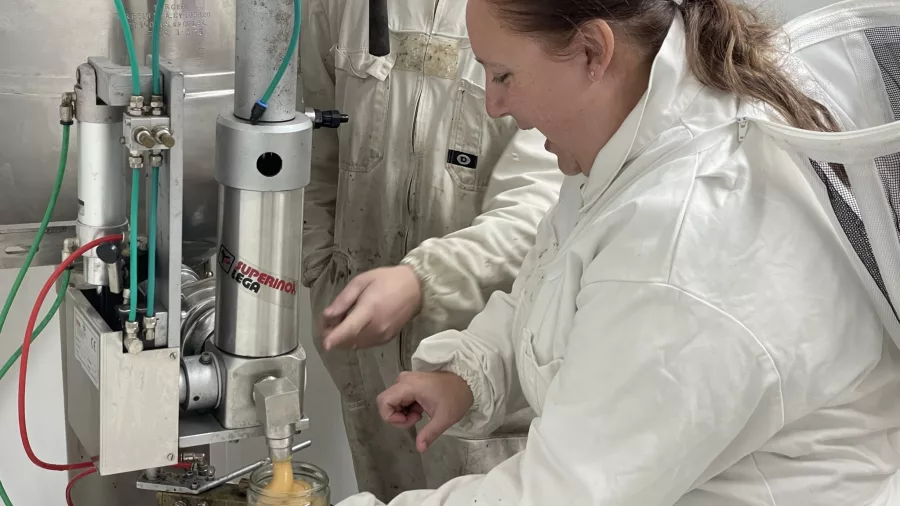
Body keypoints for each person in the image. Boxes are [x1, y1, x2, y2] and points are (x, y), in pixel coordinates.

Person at [331, 0, 900, 504]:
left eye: (503, 74)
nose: (495, 105)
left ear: (592, 50)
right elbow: (551, 284)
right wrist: (473, 374)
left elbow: (559, 495)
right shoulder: (644, 132)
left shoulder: (683, 248)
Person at [298, 0, 563, 500]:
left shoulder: (534, 14)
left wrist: (424, 279)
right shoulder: (338, 7)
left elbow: (540, 208)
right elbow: (311, 142)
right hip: (362, 343)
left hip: (478, 349)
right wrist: (320, 269)